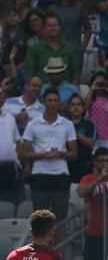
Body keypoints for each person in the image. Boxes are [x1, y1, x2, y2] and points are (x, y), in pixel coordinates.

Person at [18, 88, 76, 223]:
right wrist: (42, 155)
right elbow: (23, 153)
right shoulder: (33, 124)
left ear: (59, 103)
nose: (52, 103)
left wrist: (60, 154)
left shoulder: (67, 124)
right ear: (44, 102)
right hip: (40, 174)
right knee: (40, 220)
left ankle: (60, 245)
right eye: (49, 100)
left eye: (56, 100)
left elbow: (74, 153)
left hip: (61, 174)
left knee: (60, 220)